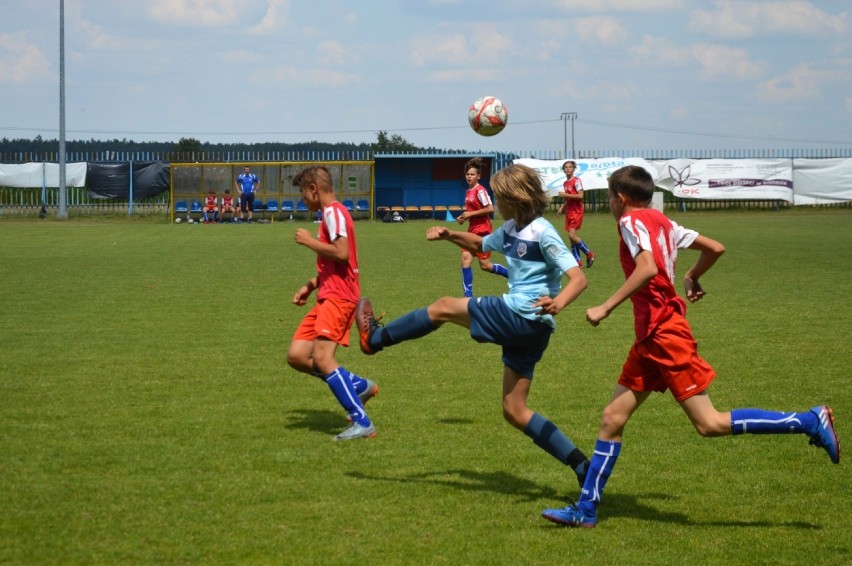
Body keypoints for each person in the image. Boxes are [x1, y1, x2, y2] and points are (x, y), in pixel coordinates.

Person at [542, 165, 840, 529]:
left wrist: (605, 306)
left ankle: (809, 421)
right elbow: (716, 247)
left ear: (620, 199)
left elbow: (648, 268)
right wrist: (692, 276)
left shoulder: (630, 223)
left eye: (609, 197)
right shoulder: (666, 224)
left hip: (665, 334)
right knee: (612, 419)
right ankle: (586, 510)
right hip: (651, 338)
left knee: (709, 423)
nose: (609, 203)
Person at [356, 163, 590, 484]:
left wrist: (558, 303)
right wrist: (450, 234)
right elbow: (481, 245)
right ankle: (581, 465)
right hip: (535, 331)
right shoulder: (509, 229)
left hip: (521, 314)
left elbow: (577, 278)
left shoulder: (543, 232)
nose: (494, 200)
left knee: (442, 307)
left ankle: (375, 339)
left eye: (499, 196)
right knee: (514, 409)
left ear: (514, 198)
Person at [286, 165, 379, 441]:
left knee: (324, 358)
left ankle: (362, 422)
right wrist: (309, 285)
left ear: (314, 188)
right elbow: (333, 263)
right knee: (298, 356)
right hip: (326, 294)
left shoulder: (333, 212)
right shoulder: (329, 215)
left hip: (339, 297)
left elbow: (341, 253)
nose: (303, 199)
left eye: (304, 193)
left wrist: (307, 242)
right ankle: (358, 385)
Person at [457, 157, 508, 297]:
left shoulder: (481, 190)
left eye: (472, 174)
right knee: (465, 259)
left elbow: (490, 209)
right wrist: (463, 217)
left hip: (483, 230)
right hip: (472, 229)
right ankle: (468, 297)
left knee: (485, 265)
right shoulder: (468, 192)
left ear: (478, 176)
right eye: (467, 174)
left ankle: (512, 275)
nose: (469, 176)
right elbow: (471, 212)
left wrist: (470, 214)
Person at [555, 160, 595, 268]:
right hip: (569, 211)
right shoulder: (565, 183)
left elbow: (580, 196)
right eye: (566, 167)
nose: (568, 168)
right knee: (571, 238)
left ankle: (589, 253)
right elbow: (569, 198)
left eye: (570, 167)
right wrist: (562, 207)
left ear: (573, 169)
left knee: (572, 236)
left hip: (577, 211)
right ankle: (577, 261)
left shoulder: (577, 181)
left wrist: (564, 194)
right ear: (563, 170)